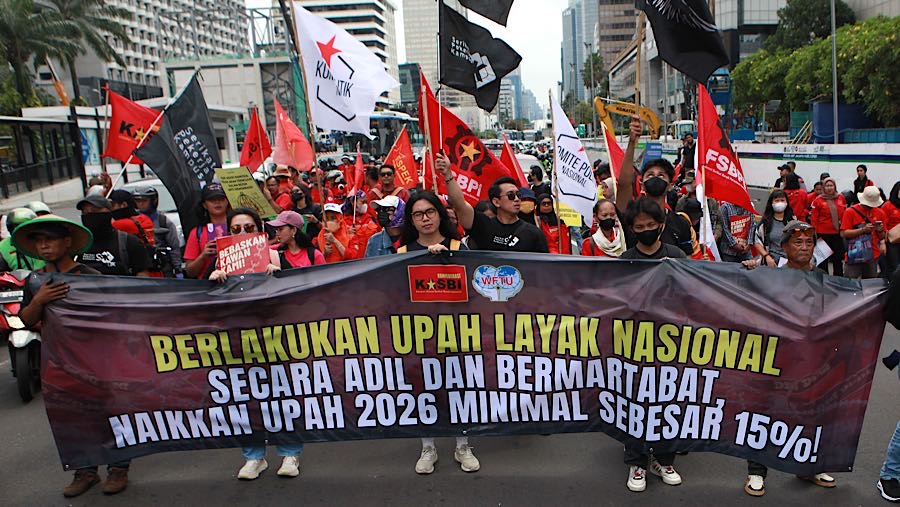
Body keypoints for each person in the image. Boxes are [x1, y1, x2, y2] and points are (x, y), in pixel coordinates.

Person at [13, 215, 139, 496]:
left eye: (50, 239)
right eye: (39, 241)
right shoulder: (35, 281)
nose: (44, 246)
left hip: (97, 359)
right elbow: (25, 320)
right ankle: (85, 471)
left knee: (109, 414)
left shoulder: (91, 276)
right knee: (74, 417)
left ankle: (119, 468)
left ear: (67, 242)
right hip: (59, 362)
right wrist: (39, 300)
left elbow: (111, 315)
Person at [742, 221, 837, 496]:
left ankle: (809, 466)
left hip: (810, 360)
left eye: (809, 242)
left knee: (811, 413)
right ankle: (756, 472)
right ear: (784, 247)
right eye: (798, 242)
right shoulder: (769, 276)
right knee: (765, 414)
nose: (805, 247)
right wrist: (750, 272)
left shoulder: (824, 279)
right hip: (774, 357)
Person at [205, 209, 299, 479]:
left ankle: (290, 453)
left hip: (276, 339)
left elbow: (301, 294)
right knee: (245, 400)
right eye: (236, 229)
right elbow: (207, 306)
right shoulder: (221, 262)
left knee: (283, 398)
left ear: (259, 230)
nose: (243, 233)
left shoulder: (276, 257)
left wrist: (280, 276)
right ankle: (254, 457)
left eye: (248, 227)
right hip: (239, 340)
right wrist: (214, 283)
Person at [437, 153, 548, 253]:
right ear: (496, 201)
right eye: (510, 195)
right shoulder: (483, 226)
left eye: (518, 195)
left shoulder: (534, 233)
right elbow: (459, 204)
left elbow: (545, 269)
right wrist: (447, 174)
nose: (517, 199)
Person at [615, 117, 693, 256]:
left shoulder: (681, 223)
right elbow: (623, 184)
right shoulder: (632, 215)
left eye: (661, 175)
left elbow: (687, 266)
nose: (656, 177)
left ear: (670, 185)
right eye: (650, 175)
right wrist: (632, 142)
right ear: (642, 184)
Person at [75, 194, 150, 277]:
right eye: (85, 212)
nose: (89, 214)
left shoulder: (128, 242)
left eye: (95, 210)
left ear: (108, 212)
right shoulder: (76, 244)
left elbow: (142, 275)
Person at [184, 183, 230, 278]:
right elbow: (190, 272)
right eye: (212, 200)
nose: (217, 202)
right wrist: (203, 255)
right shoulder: (196, 233)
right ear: (204, 205)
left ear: (227, 202)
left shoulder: (238, 227)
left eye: (221, 199)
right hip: (208, 287)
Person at [619, 197, 688, 261]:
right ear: (631, 229)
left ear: (660, 224)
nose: (646, 229)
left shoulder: (676, 255)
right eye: (639, 227)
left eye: (651, 225)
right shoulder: (625, 260)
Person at [841, 185, 887, 279]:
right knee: (850, 285)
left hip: (872, 256)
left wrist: (880, 230)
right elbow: (844, 233)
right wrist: (863, 230)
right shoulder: (850, 212)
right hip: (854, 255)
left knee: (870, 286)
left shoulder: (880, 213)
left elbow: (882, 236)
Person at [809, 177, 846, 276]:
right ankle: (823, 280)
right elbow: (814, 218)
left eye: (831, 185)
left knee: (837, 259)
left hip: (837, 234)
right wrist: (814, 234)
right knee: (823, 260)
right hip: (823, 234)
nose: (829, 188)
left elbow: (844, 214)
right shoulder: (818, 200)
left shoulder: (841, 198)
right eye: (827, 185)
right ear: (823, 187)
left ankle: (837, 281)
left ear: (835, 186)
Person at [751, 190, 795, 267]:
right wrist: (766, 256)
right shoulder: (765, 223)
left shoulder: (793, 222)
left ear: (786, 202)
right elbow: (757, 241)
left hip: (789, 263)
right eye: (777, 200)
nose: (779, 203)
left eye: (782, 200)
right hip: (770, 263)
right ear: (771, 203)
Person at [882, 181, 900, 275]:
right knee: (894, 266)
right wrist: (883, 242)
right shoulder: (888, 205)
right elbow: (883, 223)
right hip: (892, 241)